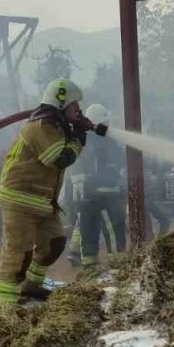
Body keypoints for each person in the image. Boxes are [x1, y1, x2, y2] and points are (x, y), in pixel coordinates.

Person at [0, 79, 101, 313]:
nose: (79, 110)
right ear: (61, 104)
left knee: (54, 243)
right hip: (20, 199)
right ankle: (3, 310)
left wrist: (76, 132)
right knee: (18, 256)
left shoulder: (57, 127)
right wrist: (79, 137)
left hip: (41, 201)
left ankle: (31, 286)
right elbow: (60, 158)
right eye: (74, 106)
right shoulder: (41, 127)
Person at [68, 104, 126, 267]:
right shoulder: (107, 141)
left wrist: (78, 190)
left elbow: (76, 164)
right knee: (113, 230)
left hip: (87, 195)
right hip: (107, 194)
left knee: (88, 231)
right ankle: (118, 266)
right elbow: (120, 162)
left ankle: (89, 268)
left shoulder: (82, 140)